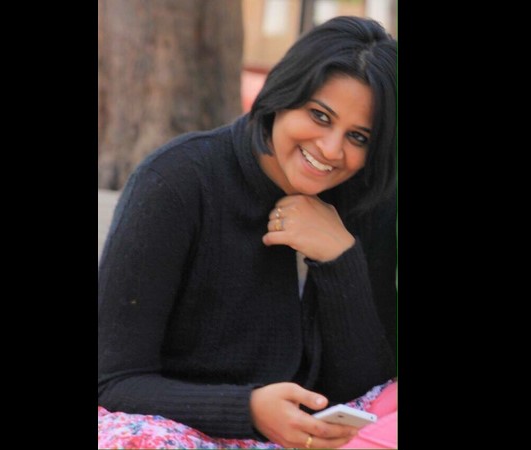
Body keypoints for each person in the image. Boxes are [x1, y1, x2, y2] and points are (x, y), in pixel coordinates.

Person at [98, 15, 397, 449]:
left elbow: (368, 389)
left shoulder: (368, 198)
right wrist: (249, 410)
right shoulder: (177, 182)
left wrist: (339, 259)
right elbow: (112, 380)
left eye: (359, 137)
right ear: (281, 96)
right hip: (182, 427)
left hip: (317, 438)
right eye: (319, 115)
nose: (332, 150)